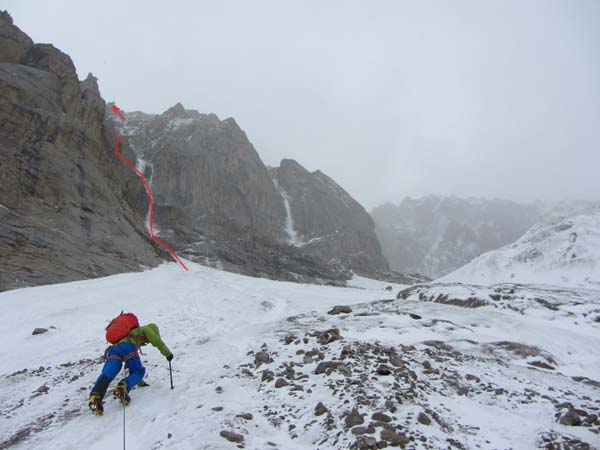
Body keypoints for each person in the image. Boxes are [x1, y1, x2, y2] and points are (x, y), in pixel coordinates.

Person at [89, 315, 173, 415]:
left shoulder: (130, 334)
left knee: (108, 374)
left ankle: (96, 395)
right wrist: (168, 354)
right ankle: (123, 387)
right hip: (128, 347)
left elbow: (133, 365)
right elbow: (157, 342)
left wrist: (140, 383)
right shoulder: (146, 329)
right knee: (140, 371)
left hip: (114, 349)